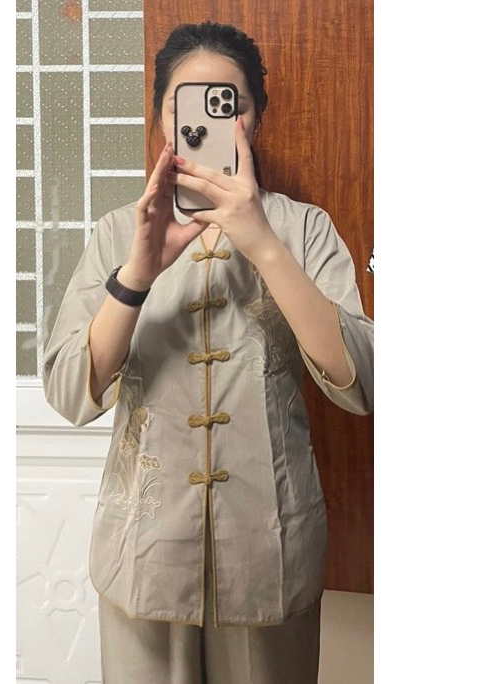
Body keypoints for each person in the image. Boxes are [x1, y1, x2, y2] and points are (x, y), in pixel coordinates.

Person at [43, 20, 373, 684]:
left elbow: (363, 383)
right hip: (143, 555)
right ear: (163, 119)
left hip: (269, 555)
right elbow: (71, 391)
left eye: (230, 105)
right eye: (186, 104)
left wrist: (262, 242)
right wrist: (137, 274)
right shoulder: (118, 233)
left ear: (255, 118)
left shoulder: (304, 229)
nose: (209, 121)